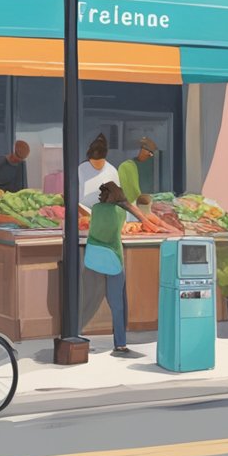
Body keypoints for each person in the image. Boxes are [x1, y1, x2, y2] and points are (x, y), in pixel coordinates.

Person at [78, 182, 133, 354]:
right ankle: (120, 342)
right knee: (117, 303)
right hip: (113, 258)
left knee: (85, 299)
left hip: (93, 257)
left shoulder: (95, 208)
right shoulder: (119, 212)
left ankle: (75, 333)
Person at [116, 137, 157, 206]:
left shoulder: (156, 164)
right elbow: (128, 195)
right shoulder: (126, 167)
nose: (150, 155)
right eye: (149, 152)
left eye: (152, 153)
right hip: (134, 207)